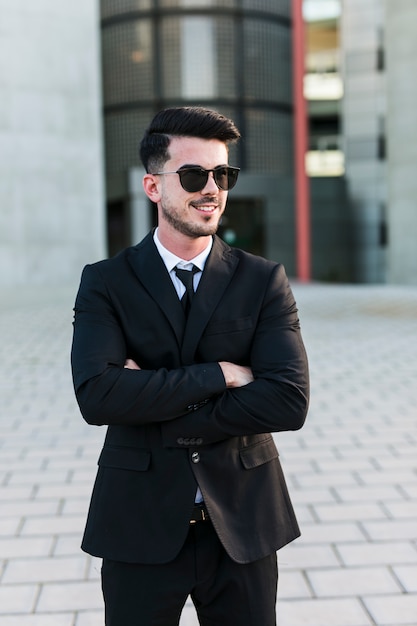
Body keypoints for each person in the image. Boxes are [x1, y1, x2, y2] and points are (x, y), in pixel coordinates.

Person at [71, 106, 309, 626]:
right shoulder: (105, 282)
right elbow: (97, 397)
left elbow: (288, 401)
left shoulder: (262, 280)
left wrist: (151, 402)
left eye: (223, 174)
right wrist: (220, 374)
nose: (212, 189)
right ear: (153, 187)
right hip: (139, 521)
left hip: (243, 522)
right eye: (195, 174)